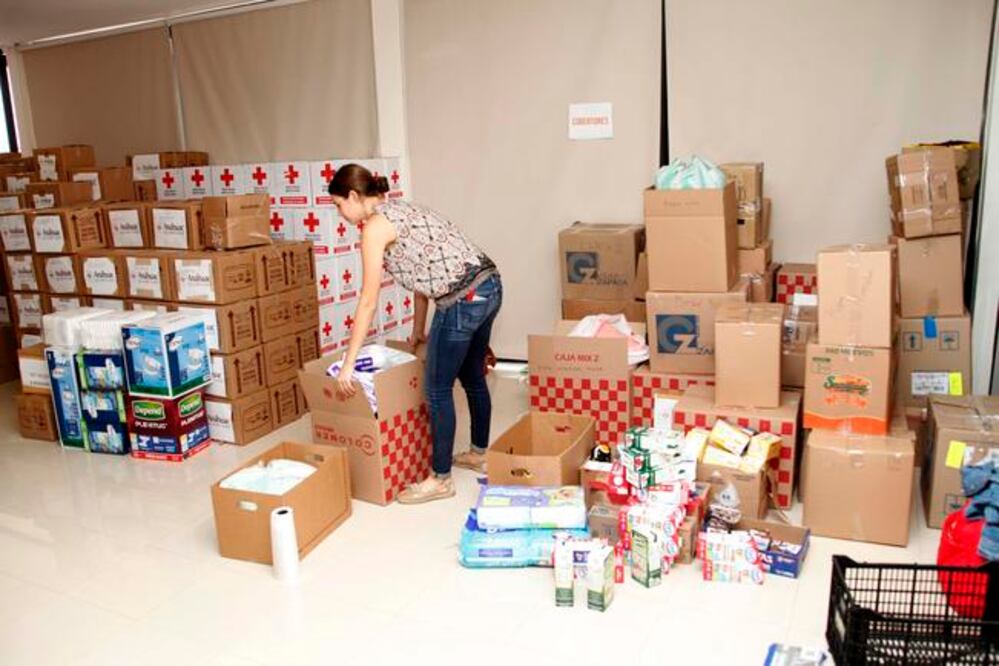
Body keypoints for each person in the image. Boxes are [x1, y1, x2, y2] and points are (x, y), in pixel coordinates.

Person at [328, 164, 502, 504]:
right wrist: (417, 331)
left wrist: (348, 364)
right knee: (472, 376)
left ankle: (440, 479)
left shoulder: (374, 229)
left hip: (462, 299)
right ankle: (480, 453)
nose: (339, 213)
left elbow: (367, 301)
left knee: (436, 389)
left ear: (353, 196)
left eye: (337, 205)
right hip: (490, 286)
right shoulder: (401, 208)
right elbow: (423, 279)